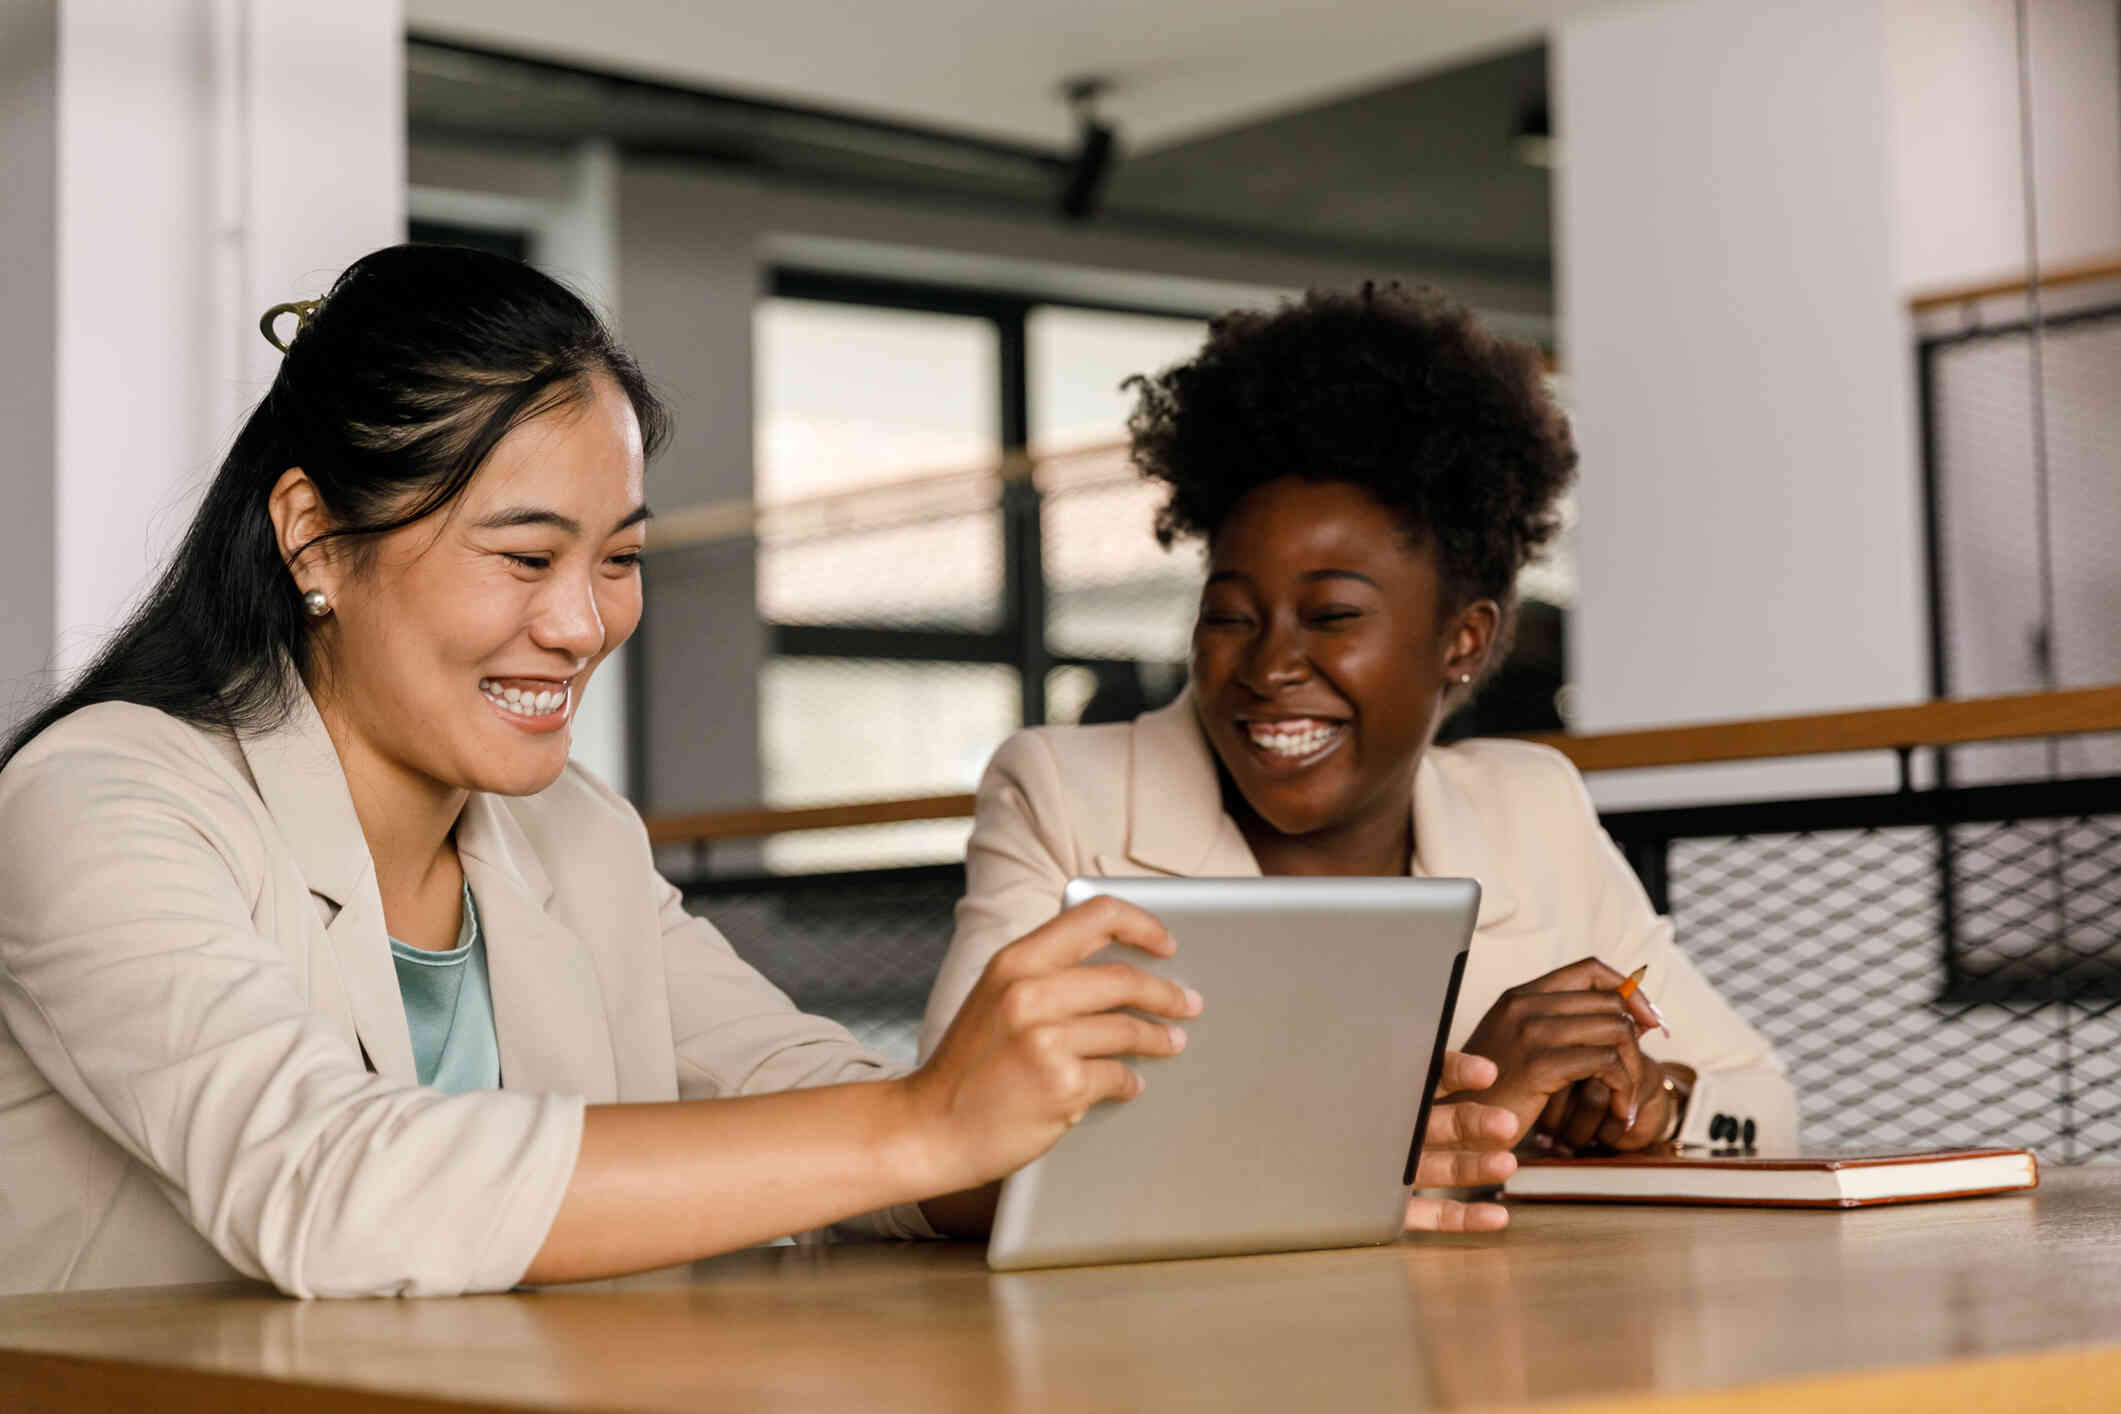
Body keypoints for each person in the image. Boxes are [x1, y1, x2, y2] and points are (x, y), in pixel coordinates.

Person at [0, 247, 1511, 1298]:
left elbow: (812, 1098)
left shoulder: (570, 835)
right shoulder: (105, 798)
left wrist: (1252, 1150)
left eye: (620, 561)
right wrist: (928, 1121)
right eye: (525, 555)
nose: (583, 623)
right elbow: (331, 1186)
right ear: (316, 538)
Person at [921, 286, 1798, 1230]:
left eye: (1332, 617)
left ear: (1461, 641)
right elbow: (945, 1151)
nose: (1268, 667)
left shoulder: (1528, 806)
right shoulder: (1068, 796)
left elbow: (1764, 1108)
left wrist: (1645, 1107)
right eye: (1229, 617)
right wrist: (1463, 1110)